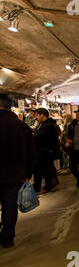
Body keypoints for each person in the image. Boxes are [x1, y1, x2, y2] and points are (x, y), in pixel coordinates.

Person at [0, 95, 36, 248]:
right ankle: (7, 238)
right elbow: (30, 153)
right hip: (15, 174)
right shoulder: (22, 126)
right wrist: (28, 174)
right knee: (10, 207)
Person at [33, 108, 60, 195]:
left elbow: (40, 136)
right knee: (44, 169)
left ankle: (47, 187)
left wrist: (34, 134)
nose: (36, 117)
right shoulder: (42, 124)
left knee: (45, 170)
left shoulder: (47, 125)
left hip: (45, 151)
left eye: (37, 115)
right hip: (43, 150)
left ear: (42, 115)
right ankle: (47, 185)